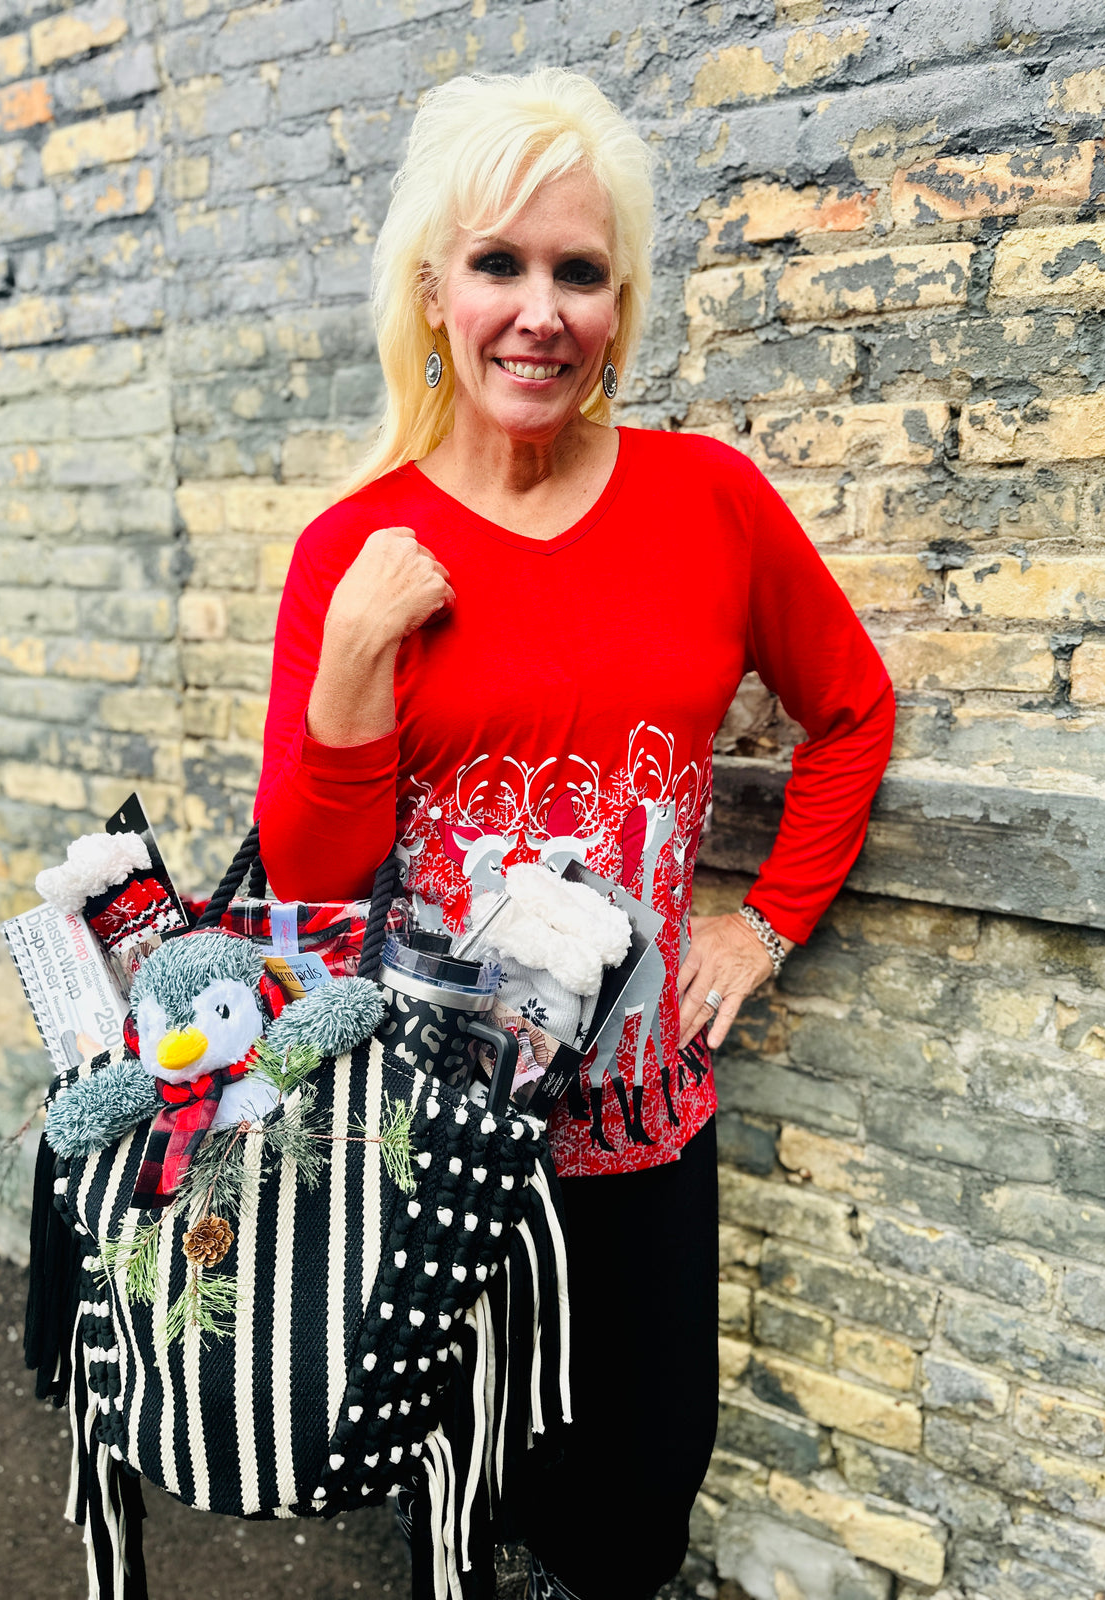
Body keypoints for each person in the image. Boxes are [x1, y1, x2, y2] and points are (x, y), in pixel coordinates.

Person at [256, 67, 895, 1600]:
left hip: (641, 1128)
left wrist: (768, 917)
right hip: (433, 1140)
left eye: (578, 271)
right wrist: (354, 656)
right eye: (499, 265)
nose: (538, 310)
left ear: (618, 304)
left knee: (640, 1495)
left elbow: (852, 712)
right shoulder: (354, 547)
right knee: (458, 1505)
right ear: (435, 292)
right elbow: (310, 883)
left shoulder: (711, 504)